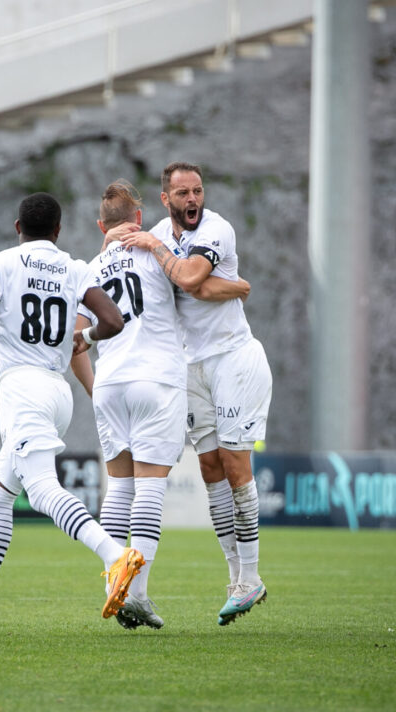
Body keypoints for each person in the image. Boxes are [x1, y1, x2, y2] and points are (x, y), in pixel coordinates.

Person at [0, 192, 145, 638]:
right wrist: (86, 337)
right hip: (56, 391)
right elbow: (114, 321)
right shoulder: (74, 267)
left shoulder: (1, 262)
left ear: (16, 226)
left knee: (43, 491)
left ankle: (115, 556)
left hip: (22, 390)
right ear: (59, 231)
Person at [72, 181, 249, 630]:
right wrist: (238, 285)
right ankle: (139, 594)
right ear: (139, 219)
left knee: (119, 489)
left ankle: (114, 583)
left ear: (100, 225)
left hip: (110, 382)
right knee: (150, 487)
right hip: (157, 377)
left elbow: (76, 343)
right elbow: (195, 283)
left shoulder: (90, 268)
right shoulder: (158, 251)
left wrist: (97, 391)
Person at [112, 162, 273, 626]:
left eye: (198, 190)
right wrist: (229, 286)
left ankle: (253, 576)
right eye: (182, 192)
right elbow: (201, 285)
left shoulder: (216, 228)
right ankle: (236, 580)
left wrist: (171, 259)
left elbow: (187, 278)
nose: (192, 199)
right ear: (166, 199)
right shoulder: (160, 232)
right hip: (189, 364)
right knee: (208, 467)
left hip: (233, 358)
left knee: (235, 462)